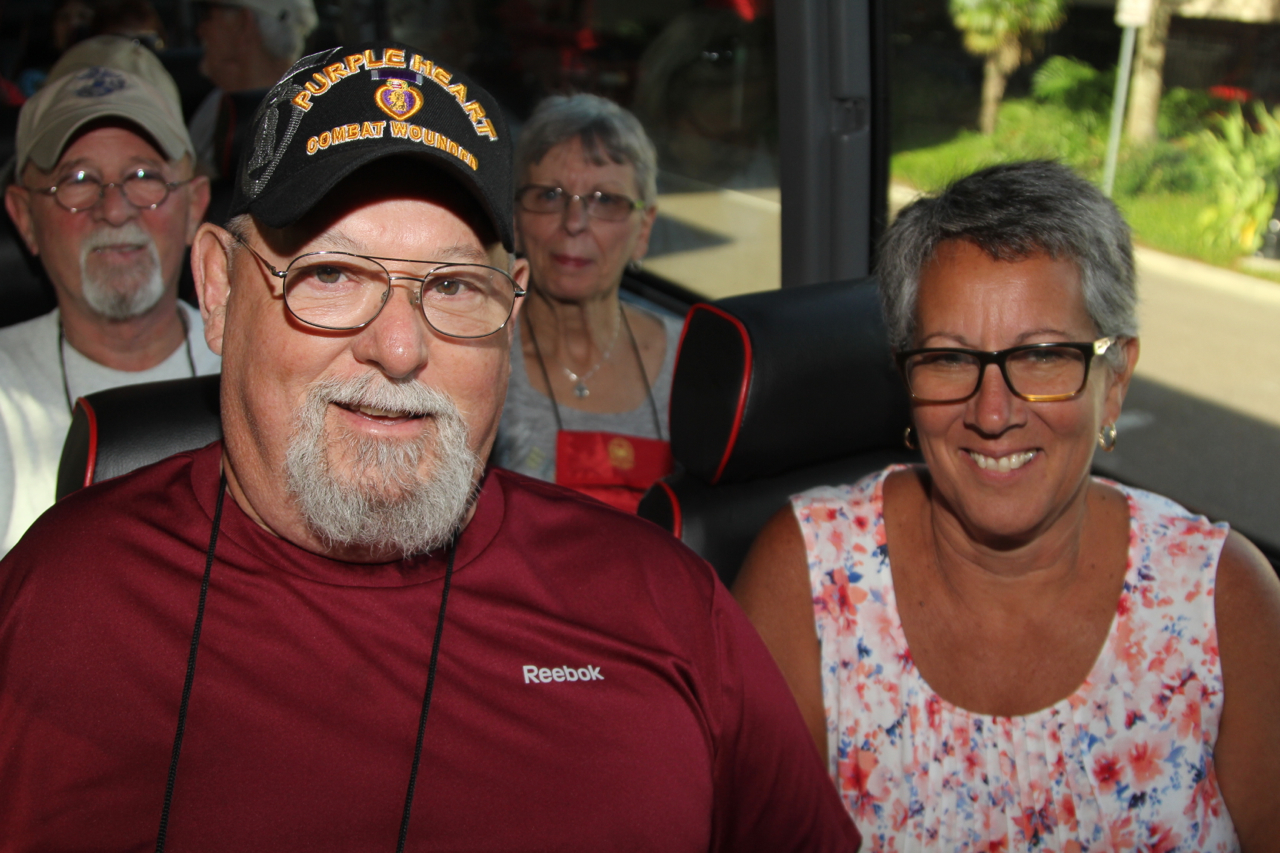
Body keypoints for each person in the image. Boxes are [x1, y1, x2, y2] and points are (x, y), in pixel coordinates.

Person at [0, 42, 861, 851]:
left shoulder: (666, 608)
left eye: (451, 285)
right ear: (220, 289)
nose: (401, 347)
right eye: (331, 273)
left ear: (511, 309)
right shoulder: (60, 605)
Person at [733, 161, 1280, 851]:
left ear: (1114, 381)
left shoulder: (1223, 597)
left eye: (1042, 355)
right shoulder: (807, 579)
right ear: (907, 378)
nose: (993, 413)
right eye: (949, 359)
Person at [0, 36, 216, 556]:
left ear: (195, 206)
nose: (115, 210)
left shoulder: (265, 370)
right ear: (24, 218)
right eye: (77, 180)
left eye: (144, 176)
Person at [492, 93, 679, 512]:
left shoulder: (694, 361)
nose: (574, 223)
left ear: (644, 229)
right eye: (549, 196)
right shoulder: (480, 357)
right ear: (515, 218)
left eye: (605, 200)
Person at [189, 0, 318, 179]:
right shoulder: (216, 103)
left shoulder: (300, 122)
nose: (200, 30)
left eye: (207, 16)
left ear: (243, 24)